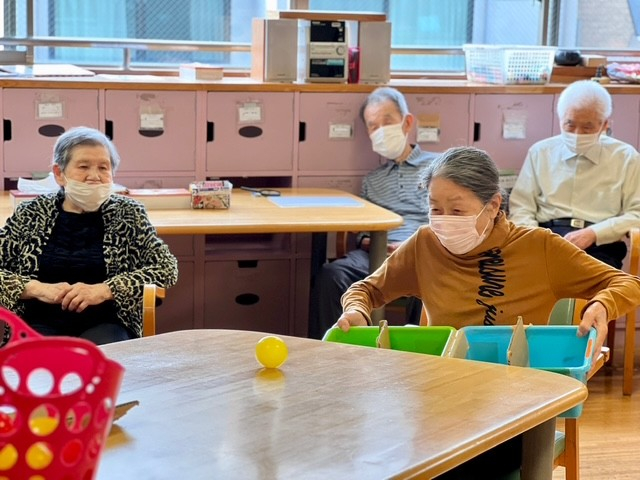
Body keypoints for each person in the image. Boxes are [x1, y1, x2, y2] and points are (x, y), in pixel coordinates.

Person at [337, 146, 640, 370]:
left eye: (457, 211)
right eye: (435, 209)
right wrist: (356, 310)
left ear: (494, 205)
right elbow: (367, 289)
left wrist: (602, 304)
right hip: (442, 385)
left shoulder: (539, 246)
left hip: (515, 390)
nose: (443, 220)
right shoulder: (424, 243)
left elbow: (628, 284)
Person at [0, 126, 178, 344]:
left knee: (100, 356)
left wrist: (105, 290)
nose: (94, 176)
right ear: (59, 173)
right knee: (42, 359)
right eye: (83, 166)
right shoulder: (31, 213)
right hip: (39, 322)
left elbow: (166, 269)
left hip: (106, 322)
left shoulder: (128, 213)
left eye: (103, 168)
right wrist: (36, 289)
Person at [308, 86, 436, 339]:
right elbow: (364, 233)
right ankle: (334, 347)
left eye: (387, 121)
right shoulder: (372, 180)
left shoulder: (437, 167)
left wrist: (412, 246)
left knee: (429, 279)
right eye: (373, 126)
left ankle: (419, 350)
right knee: (332, 275)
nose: (381, 130)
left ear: (407, 122)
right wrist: (371, 243)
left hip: (422, 251)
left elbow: (450, 216)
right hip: (377, 254)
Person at [509, 79, 640, 269]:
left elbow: (637, 213)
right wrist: (538, 240)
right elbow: (521, 207)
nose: (577, 134)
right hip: (547, 236)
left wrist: (593, 233)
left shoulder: (626, 157)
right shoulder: (541, 152)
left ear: (604, 125)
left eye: (587, 127)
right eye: (570, 125)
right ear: (560, 119)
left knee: (587, 281)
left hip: (600, 243)